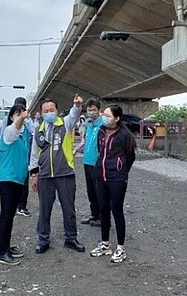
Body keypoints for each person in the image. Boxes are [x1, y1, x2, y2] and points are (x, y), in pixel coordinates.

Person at [30, 94, 85, 254]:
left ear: (57, 110)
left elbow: (74, 115)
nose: (48, 113)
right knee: (44, 209)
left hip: (65, 174)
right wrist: (34, 175)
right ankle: (43, 240)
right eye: (45, 111)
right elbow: (34, 154)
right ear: (41, 113)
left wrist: (76, 106)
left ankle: (71, 238)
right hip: (45, 176)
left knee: (69, 208)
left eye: (51, 110)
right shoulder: (38, 131)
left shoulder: (65, 124)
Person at [90, 104, 136, 264]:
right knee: (103, 209)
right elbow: (100, 151)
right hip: (100, 176)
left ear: (117, 118)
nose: (104, 117)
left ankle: (121, 248)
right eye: (104, 114)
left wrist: (121, 171)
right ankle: (105, 244)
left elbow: (130, 157)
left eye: (108, 115)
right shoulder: (101, 131)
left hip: (117, 178)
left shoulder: (125, 135)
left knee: (117, 210)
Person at [0, 104, 31, 265]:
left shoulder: (25, 135)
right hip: (8, 179)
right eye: (17, 114)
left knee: (10, 215)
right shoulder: (9, 131)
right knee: (6, 214)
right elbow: (15, 129)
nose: (20, 116)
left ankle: (7, 247)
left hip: (18, 179)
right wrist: (21, 118)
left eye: (22, 113)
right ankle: (2, 252)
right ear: (11, 117)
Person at [74, 98, 104, 227]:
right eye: (89, 110)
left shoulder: (103, 125)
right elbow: (86, 141)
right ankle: (94, 214)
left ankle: (102, 217)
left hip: (97, 163)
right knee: (91, 190)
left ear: (99, 110)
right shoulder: (90, 124)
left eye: (94, 109)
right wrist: (76, 150)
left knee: (99, 191)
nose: (91, 112)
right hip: (87, 162)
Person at [12, 96, 33, 217]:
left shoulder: (28, 121)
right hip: (14, 157)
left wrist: (26, 118)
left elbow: (32, 131)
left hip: (25, 157)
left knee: (24, 183)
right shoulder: (9, 120)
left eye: (22, 106)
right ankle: (14, 204)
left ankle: (22, 206)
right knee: (14, 182)